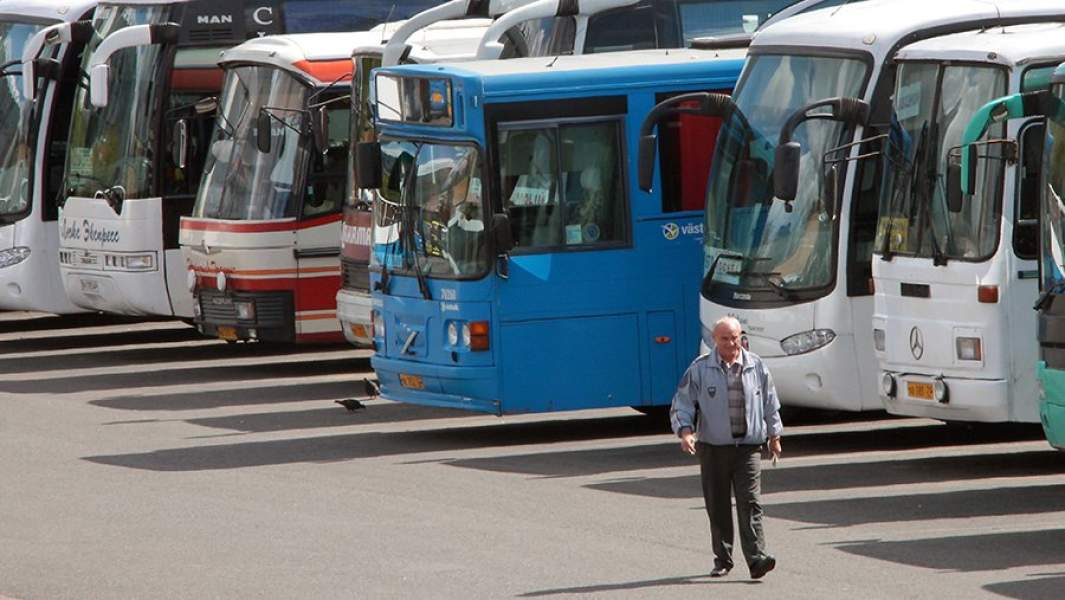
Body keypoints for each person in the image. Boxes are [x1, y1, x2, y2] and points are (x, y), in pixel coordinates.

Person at [670, 315, 783, 580]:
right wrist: (685, 432)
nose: (732, 343)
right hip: (713, 448)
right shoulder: (700, 369)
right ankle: (722, 559)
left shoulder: (756, 366)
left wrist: (774, 435)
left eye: (735, 337)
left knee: (751, 502)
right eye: (725, 339)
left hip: (748, 448)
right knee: (718, 505)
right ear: (714, 340)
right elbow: (683, 403)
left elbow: (770, 401)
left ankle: (757, 559)